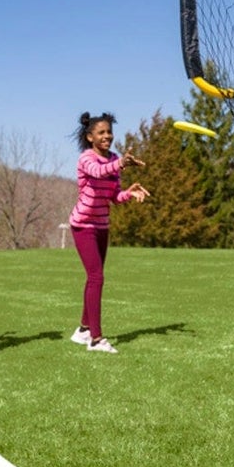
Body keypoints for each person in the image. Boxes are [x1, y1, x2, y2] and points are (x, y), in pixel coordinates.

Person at [67, 111, 147, 353]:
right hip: (83, 225)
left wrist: (129, 194)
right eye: (101, 132)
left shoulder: (114, 159)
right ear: (90, 136)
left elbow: (114, 196)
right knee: (96, 277)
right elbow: (98, 172)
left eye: (109, 132)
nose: (107, 136)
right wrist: (121, 162)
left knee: (94, 278)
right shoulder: (86, 158)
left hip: (102, 225)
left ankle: (82, 330)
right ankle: (96, 339)